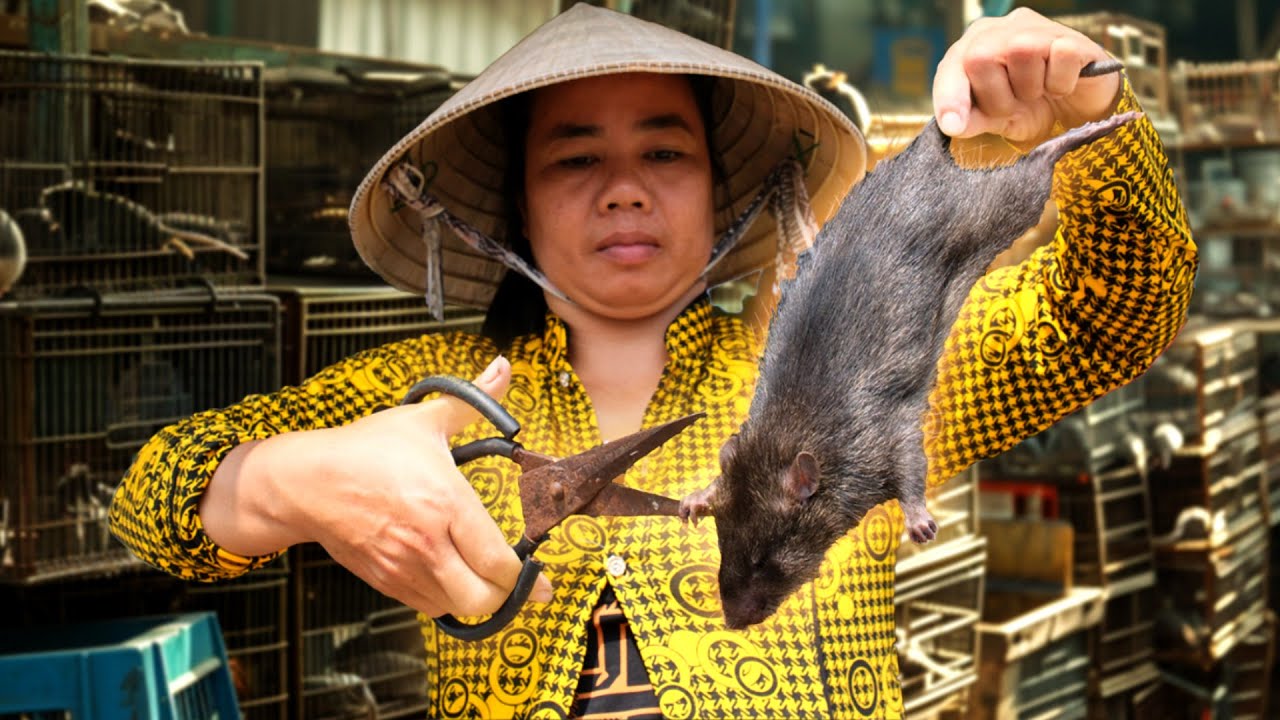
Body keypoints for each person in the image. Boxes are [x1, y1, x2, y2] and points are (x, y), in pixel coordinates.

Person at [110, 4, 1196, 718]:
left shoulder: (841, 380)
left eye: (662, 153)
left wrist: (1088, 111)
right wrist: (285, 481)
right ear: (518, 207)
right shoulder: (428, 403)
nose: (622, 188)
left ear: (720, 192)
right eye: (575, 157)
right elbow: (150, 502)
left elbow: (1110, 310)